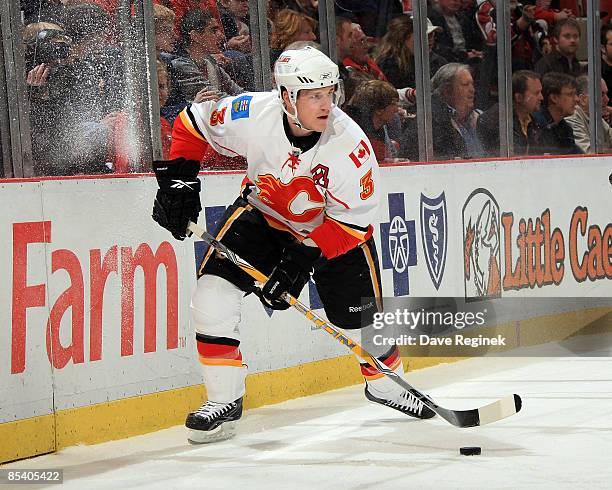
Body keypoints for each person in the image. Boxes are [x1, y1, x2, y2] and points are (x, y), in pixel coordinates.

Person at [151, 47, 436, 443]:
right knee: (212, 296)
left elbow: (354, 222)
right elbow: (191, 124)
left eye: (329, 93)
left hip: (332, 230)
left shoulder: (350, 147)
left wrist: (297, 264)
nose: (326, 104)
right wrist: (181, 181)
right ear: (286, 97)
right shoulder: (251, 113)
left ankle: (387, 384)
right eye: (313, 95)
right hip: (265, 215)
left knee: (359, 322)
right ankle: (224, 400)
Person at [401, 63, 485, 161]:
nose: (472, 90)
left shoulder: (474, 119)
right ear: (447, 90)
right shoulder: (430, 123)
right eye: (465, 85)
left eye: (472, 84)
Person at [477, 70, 543, 156]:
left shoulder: (532, 122)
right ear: (519, 97)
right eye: (536, 93)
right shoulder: (496, 120)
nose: (541, 97)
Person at [375, 16, 445, 90]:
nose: (431, 39)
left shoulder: (437, 61)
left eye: (432, 35)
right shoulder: (388, 64)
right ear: (404, 37)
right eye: (426, 36)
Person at [344, 80, 400, 161]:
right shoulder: (352, 132)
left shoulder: (379, 128)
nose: (396, 109)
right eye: (393, 104)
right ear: (379, 109)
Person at [532, 71, 583, 154]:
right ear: (554, 98)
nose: (577, 99)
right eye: (570, 94)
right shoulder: (537, 126)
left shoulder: (565, 128)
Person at [565, 76, 612, 153]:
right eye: (601, 95)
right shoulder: (572, 118)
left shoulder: (594, 116)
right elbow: (589, 153)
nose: (607, 99)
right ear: (583, 99)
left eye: (606, 94)